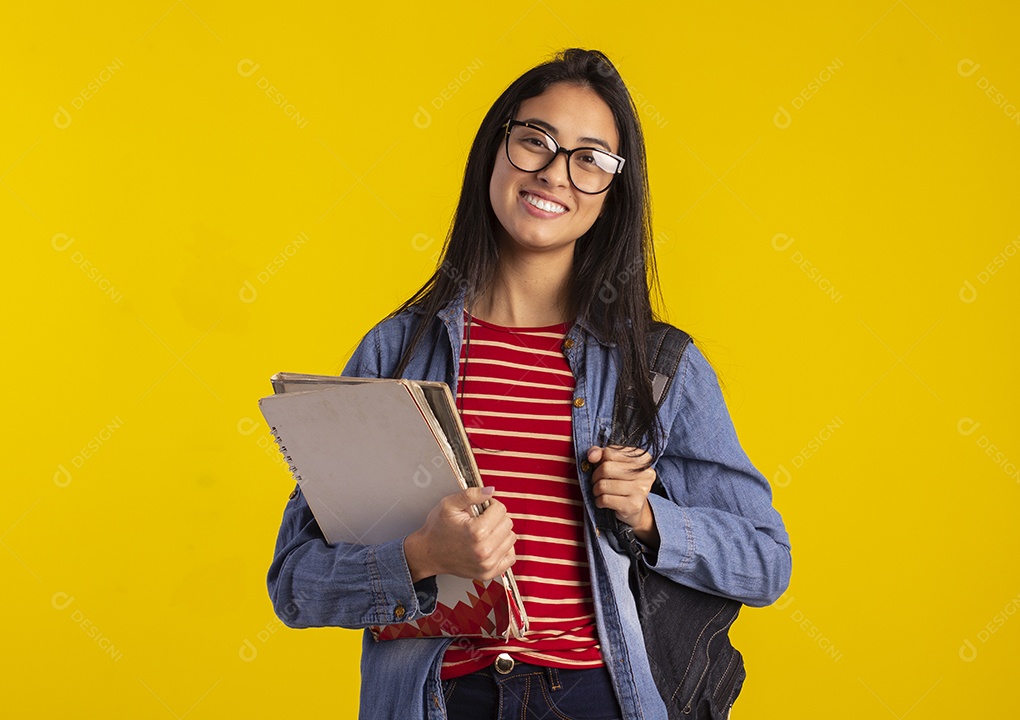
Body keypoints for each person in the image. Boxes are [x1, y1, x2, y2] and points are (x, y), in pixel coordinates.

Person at [266, 48, 791, 720]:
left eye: (590, 159)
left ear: (612, 193)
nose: (554, 173)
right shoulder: (397, 350)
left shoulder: (658, 366)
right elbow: (296, 584)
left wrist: (649, 517)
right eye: (535, 141)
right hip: (439, 701)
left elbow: (765, 563)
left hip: (599, 698)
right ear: (496, 148)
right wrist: (423, 555)